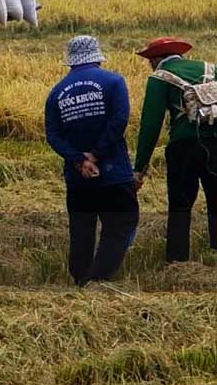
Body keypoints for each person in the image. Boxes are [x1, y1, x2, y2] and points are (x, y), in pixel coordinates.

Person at [44, 36, 138, 286]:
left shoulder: (56, 93)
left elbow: (53, 135)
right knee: (119, 224)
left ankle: (80, 279)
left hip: (78, 178)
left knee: (82, 229)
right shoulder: (114, 82)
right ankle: (98, 279)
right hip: (113, 172)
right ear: (96, 57)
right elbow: (119, 121)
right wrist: (96, 155)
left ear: (71, 62)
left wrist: (78, 159)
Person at [133, 36, 217, 262]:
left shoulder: (159, 77)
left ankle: (177, 259)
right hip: (216, 142)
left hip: (184, 147)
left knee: (180, 204)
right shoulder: (211, 68)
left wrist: (140, 167)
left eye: (150, 60)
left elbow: (150, 125)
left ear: (156, 59)